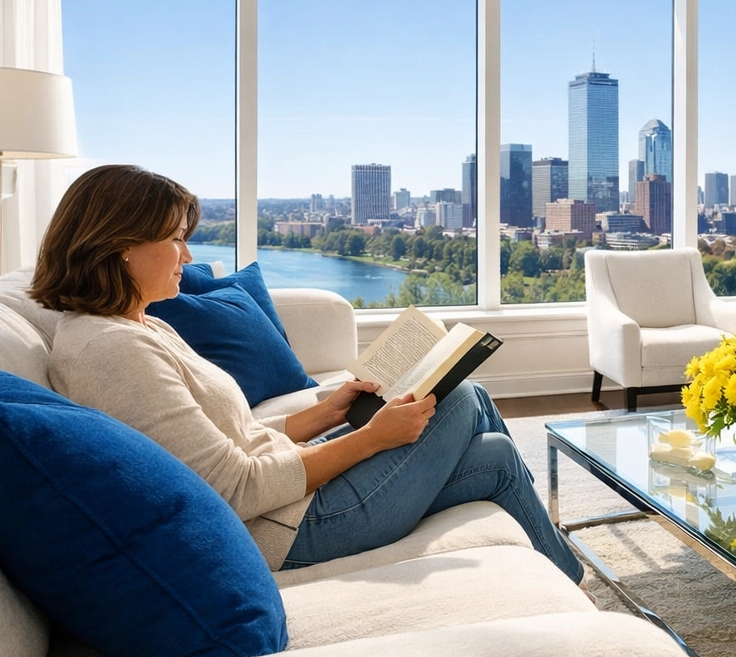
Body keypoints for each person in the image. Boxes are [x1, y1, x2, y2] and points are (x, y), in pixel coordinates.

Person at [31, 164, 585, 585]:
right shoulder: (111, 352)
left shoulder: (139, 326)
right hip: (281, 531)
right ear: (120, 247)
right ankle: (575, 585)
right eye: (174, 237)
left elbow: (230, 443)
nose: (186, 252)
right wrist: (372, 437)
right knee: (458, 396)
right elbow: (235, 488)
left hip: (282, 505)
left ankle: (571, 588)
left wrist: (327, 413)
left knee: (494, 454)